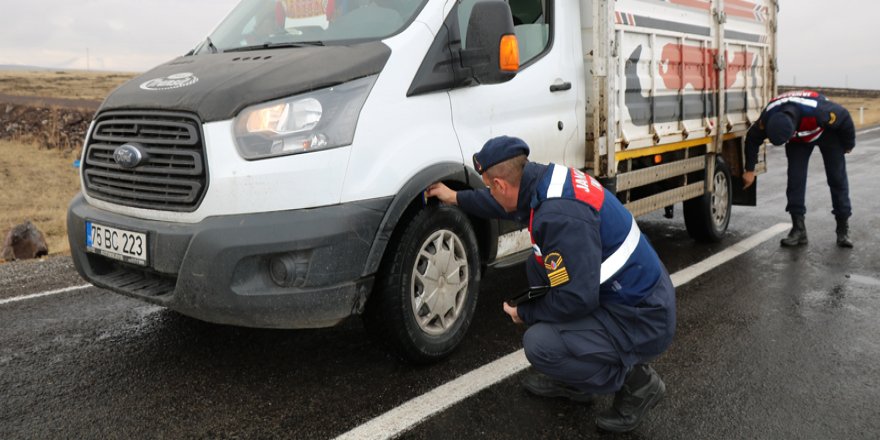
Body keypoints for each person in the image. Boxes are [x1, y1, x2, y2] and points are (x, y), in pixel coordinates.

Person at [426, 136, 676, 433]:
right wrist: (456, 197)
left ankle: (638, 382)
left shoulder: (559, 217)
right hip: (633, 292)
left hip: (643, 316)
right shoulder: (545, 183)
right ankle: (577, 380)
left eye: (490, 187)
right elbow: (499, 202)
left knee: (540, 344)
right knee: (539, 264)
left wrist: (526, 313)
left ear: (501, 185)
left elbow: (577, 299)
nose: (491, 194)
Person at [742, 90, 856, 248]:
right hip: (799, 141)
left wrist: (849, 145)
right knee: (795, 179)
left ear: (792, 130)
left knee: (837, 178)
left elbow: (844, 117)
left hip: (827, 134)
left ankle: (843, 229)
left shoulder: (820, 111)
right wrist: (749, 170)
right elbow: (752, 139)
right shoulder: (768, 116)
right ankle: (798, 230)